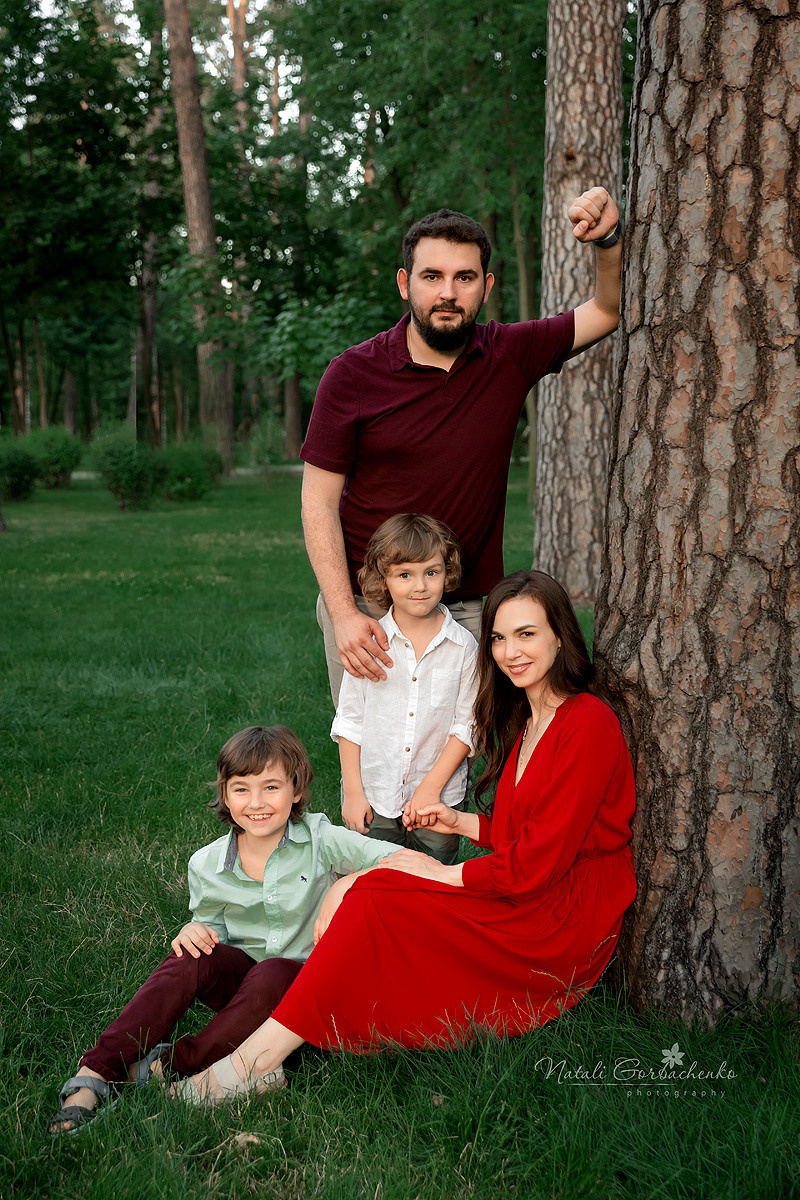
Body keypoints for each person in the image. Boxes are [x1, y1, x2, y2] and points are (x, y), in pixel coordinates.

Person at [173, 570, 636, 1104]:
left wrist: (430, 872)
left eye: (526, 634)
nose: (510, 652)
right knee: (374, 902)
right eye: (499, 638)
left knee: (373, 896)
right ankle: (266, 1054)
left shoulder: (588, 723)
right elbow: (533, 831)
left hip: (561, 912)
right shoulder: (532, 719)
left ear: (561, 634)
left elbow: (537, 862)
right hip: (534, 881)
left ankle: (252, 1062)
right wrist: (460, 823)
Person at [301, 188, 623, 703]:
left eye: (464, 277)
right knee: (371, 763)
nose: (447, 292)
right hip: (371, 608)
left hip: (467, 608)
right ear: (405, 284)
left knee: (454, 766)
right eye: (432, 276)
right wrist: (343, 613)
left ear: (486, 286)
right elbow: (316, 501)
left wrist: (607, 238)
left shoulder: (509, 354)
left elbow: (608, 309)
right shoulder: (352, 373)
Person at [48, 725, 401, 1134]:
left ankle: (171, 1066)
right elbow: (211, 925)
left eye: (271, 787)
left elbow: (396, 858)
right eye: (241, 789)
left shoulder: (321, 838)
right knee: (190, 955)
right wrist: (195, 930)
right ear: (225, 794)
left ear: (297, 790)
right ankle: (94, 1074)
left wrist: (344, 882)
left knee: (275, 971)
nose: (256, 803)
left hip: (308, 998)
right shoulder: (206, 863)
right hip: (247, 988)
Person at [334, 513, 478, 865]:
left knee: (433, 877)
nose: (420, 586)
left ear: (447, 572)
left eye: (432, 572)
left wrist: (430, 788)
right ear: (384, 579)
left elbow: (466, 725)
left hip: (438, 796)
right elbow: (350, 720)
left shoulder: (463, 647)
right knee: (374, 875)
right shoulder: (370, 645)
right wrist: (353, 792)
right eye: (404, 575)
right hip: (375, 791)